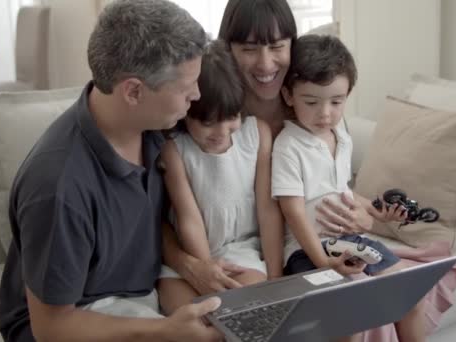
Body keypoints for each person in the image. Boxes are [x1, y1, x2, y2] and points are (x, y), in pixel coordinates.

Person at [0, 1, 223, 341]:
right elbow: (51, 327)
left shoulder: (156, 127)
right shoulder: (59, 186)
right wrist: (164, 331)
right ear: (133, 91)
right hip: (73, 321)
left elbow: (138, 220)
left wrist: (186, 263)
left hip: (137, 298)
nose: (197, 94)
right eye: (186, 86)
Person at [161, 0, 384, 296]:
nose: (266, 64)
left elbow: (331, 187)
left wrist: (365, 217)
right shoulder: (192, 115)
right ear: (229, 50)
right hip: (220, 252)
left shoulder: (316, 110)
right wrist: (194, 265)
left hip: (285, 252)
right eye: (249, 49)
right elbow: (157, 217)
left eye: (277, 46)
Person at [272, 34, 425, 342]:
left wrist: (378, 213)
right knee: (350, 316)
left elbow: (341, 189)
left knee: (410, 295)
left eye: (336, 102)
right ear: (289, 95)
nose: (325, 113)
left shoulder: (341, 135)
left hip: (349, 241)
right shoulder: (289, 146)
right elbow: (293, 212)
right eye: (311, 102)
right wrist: (322, 261)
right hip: (308, 251)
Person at [157, 39, 283, 315]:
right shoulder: (175, 149)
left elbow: (268, 208)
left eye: (231, 118)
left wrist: (276, 276)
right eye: (208, 122)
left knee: (245, 308)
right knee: (185, 314)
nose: (222, 132)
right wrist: (205, 271)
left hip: (241, 252)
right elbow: (188, 216)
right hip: (193, 257)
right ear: (186, 112)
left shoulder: (257, 135)